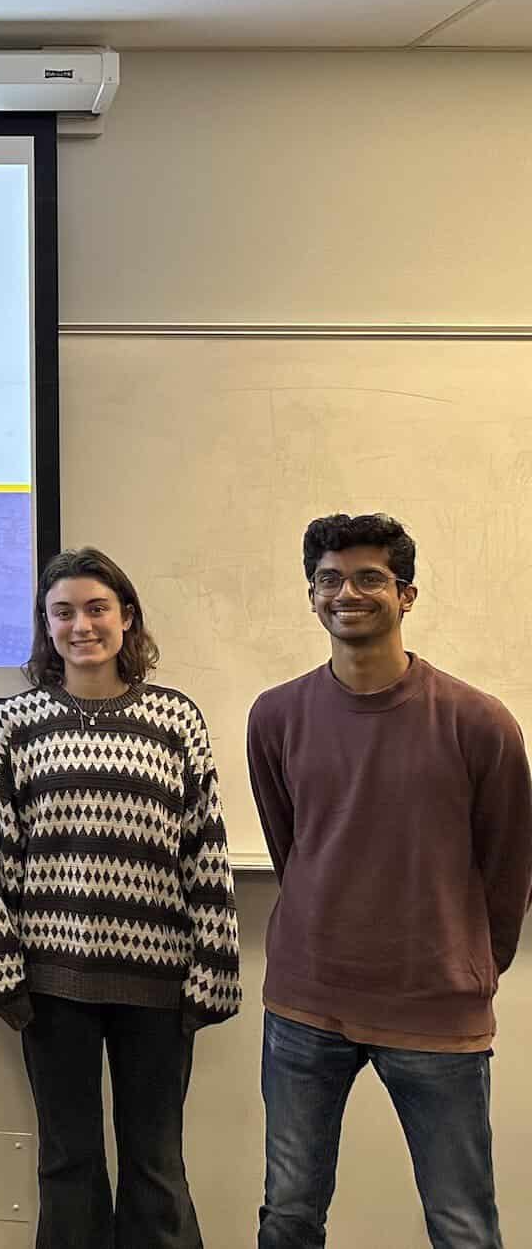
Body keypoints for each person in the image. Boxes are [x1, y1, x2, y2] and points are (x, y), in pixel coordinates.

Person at [250, 512, 531, 1249]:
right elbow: (293, 846)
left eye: (371, 578)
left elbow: (510, 867)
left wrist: (471, 965)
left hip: (436, 1010)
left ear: (406, 596)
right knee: (288, 1216)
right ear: (312, 597)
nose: (349, 593)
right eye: (330, 580)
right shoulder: (275, 716)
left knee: (463, 1225)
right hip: (305, 1005)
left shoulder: (479, 722)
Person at [0, 546, 240, 1249]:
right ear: (46, 627)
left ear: (127, 618)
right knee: (68, 1163)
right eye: (63, 613)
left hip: (161, 984)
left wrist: (216, 967)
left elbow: (204, 847)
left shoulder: (176, 719)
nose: (81, 625)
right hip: (52, 985)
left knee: (157, 1166)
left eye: (96, 608)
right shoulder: (15, 723)